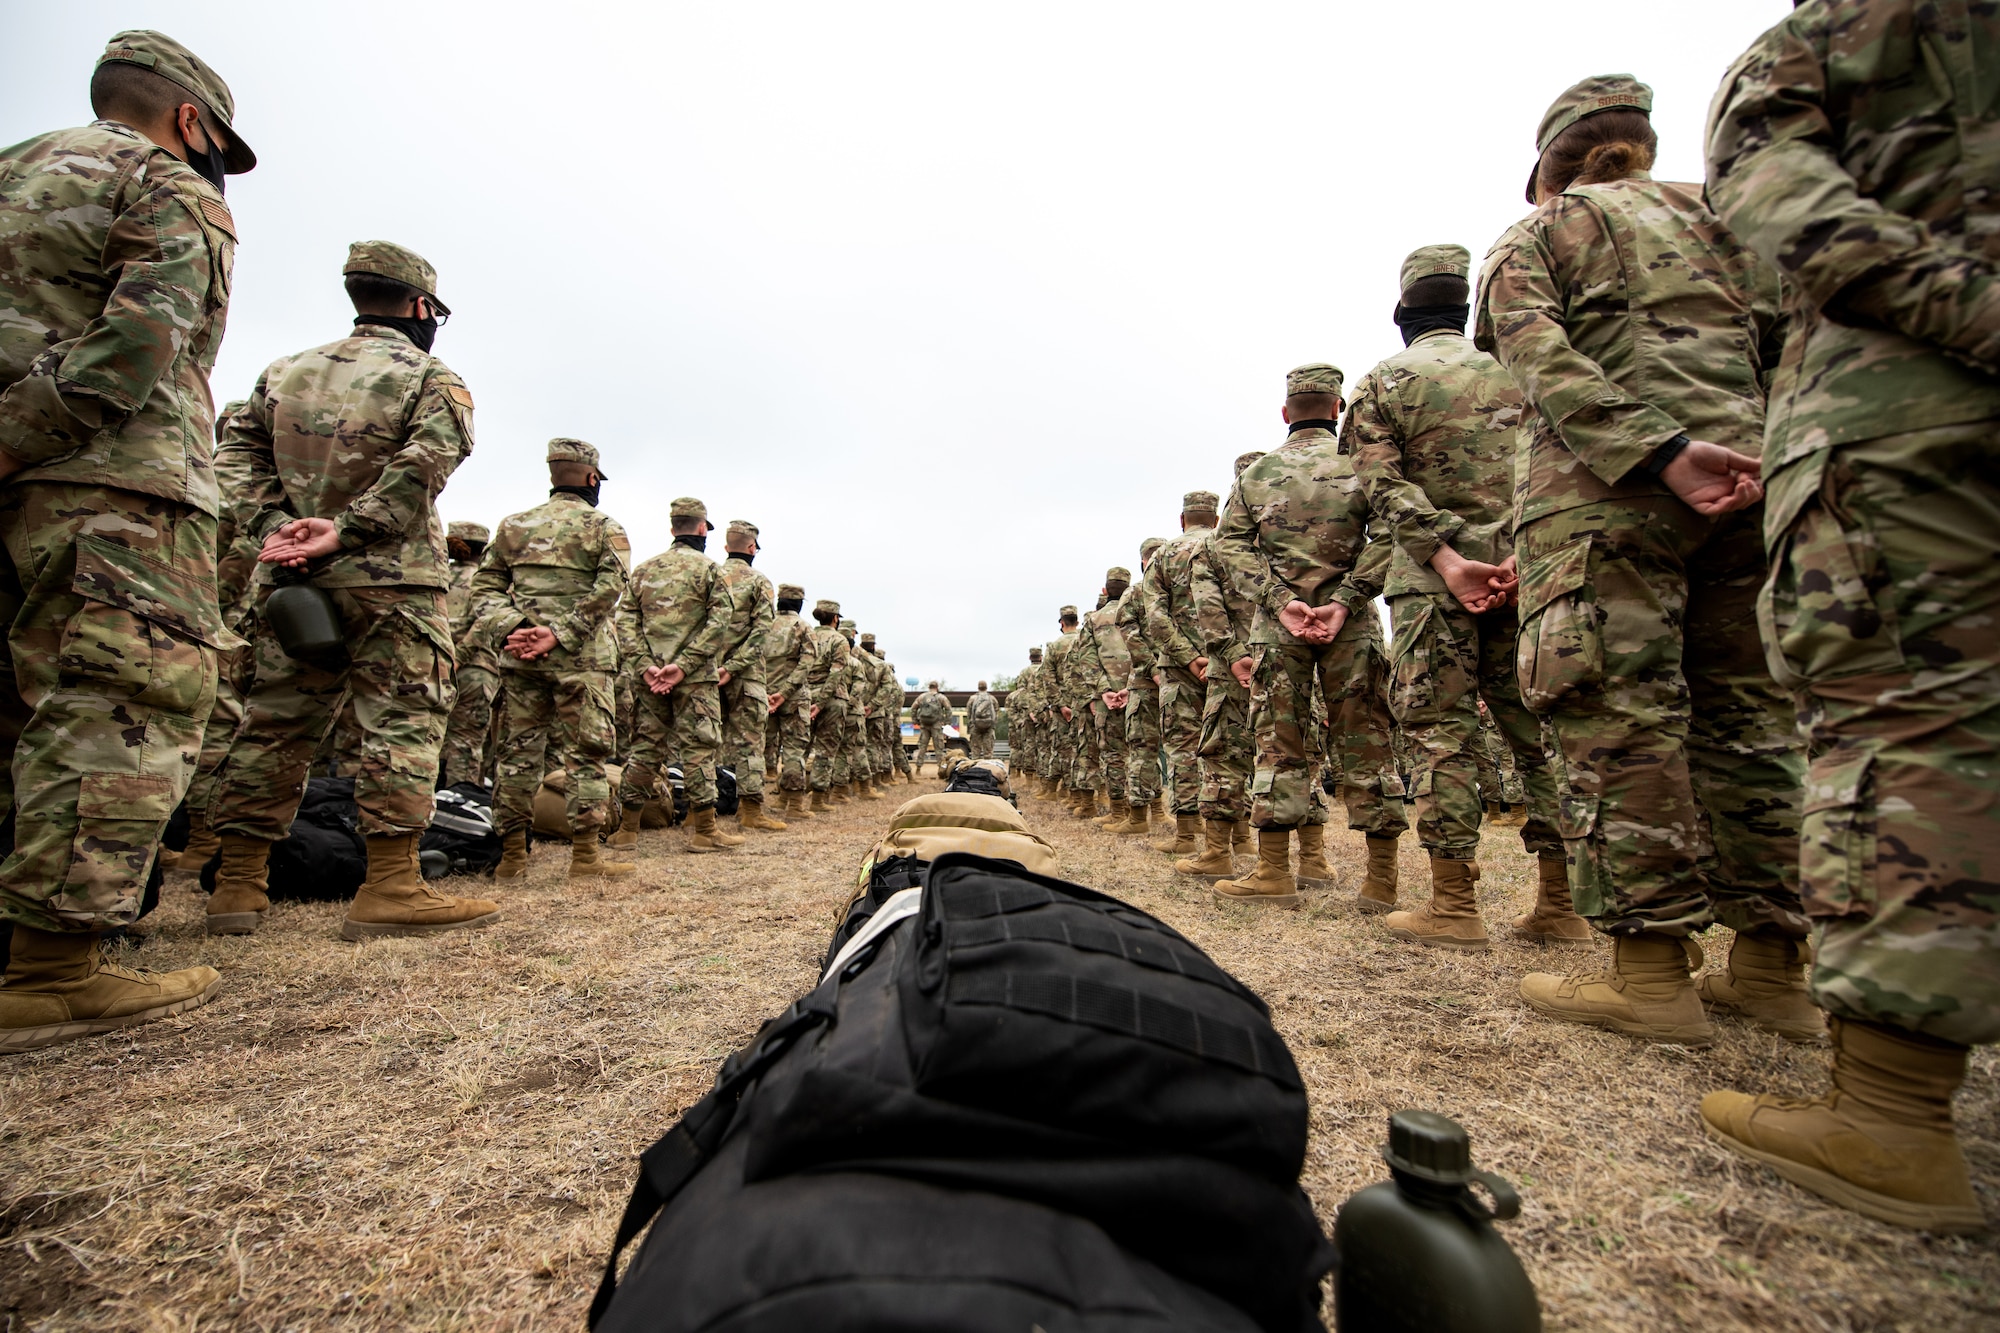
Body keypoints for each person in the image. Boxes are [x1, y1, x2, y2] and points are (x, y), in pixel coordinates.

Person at [1698, 0, 1999, 1233]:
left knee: (1901, 719)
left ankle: (1888, 1114)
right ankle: (1761, 967)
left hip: (1913, 403)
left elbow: (1768, 189)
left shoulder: (1847, 24)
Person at [1476, 74, 1806, 1044]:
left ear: (1548, 170)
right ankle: (1773, 970)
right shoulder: (1729, 225)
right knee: (1749, 719)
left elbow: (1533, 357)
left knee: (1617, 713)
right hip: (1750, 484)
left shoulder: (1542, 233)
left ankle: (1652, 976)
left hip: (1607, 495)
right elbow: (1791, 347)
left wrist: (1657, 450)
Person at [0, 31, 252, 1048]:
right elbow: (144, 340)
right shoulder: (167, 183)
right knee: (119, 699)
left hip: (23, 484)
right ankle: (54, 969)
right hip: (113, 483)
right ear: (190, 121)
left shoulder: (13, 168)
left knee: (19, 701)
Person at [206, 240, 498, 941]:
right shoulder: (432, 378)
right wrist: (347, 530)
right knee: (401, 721)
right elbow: (424, 467)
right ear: (421, 306)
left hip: (292, 579)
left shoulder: (283, 372)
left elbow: (233, 457)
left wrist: (279, 528)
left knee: (273, 723)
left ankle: (238, 887)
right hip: (390, 579)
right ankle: (392, 885)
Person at [1344, 243, 1580, 944]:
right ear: (1466, 306)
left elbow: (1383, 490)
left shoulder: (1384, 383)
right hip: (1526, 571)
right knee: (1539, 732)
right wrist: (1513, 554)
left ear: (1402, 316)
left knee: (1441, 734)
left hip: (1431, 583)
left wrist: (1447, 558)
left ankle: (1453, 905)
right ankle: (1562, 905)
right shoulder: (1518, 370)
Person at [1211, 364, 1408, 908]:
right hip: (1355, 623)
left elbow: (1230, 548)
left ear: (1284, 414)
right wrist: (1346, 599)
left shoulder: (1256, 476)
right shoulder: (1362, 465)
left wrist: (1281, 601)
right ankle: (1381, 883)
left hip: (1279, 628)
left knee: (1278, 743)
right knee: (1368, 742)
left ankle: (1274, 873)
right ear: (1338, 409)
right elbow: (1394, 530)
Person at [473, 438, 632, 878]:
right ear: (591, 477)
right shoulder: (604, 527)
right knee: (586, 755)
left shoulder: (512, 526)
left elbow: (483, 588)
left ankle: (512, 858)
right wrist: (559, 634)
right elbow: (610, 588)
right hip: (582, 659)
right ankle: (585, 857)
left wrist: (514, 629)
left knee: (516, 755)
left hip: (520, 660)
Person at [613, 498, 743, 853]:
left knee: (643, 749)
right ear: (702, 529)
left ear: (673, 529)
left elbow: (624, 621)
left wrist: (645, 665)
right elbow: (719, 625)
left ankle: (626, 830)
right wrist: (684, 665)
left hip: (649, 678)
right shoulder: (711, 571)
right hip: (695, 678)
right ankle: (704, 831)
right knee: (699, 751)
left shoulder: (643, 570)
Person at [1178, 453, 1270, 877]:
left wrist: (1228, 656)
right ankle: (1310, 859)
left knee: (1221, 755)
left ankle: (1217, 853)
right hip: (1295, 653)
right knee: (1295, 753)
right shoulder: (1298, 533)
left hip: (1227, 663)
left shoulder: (1211, 548)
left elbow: (1207, 611)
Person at [1145, 492, 1220, 856]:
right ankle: (1237, 838)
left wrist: (1189, 657)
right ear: (1216, 518)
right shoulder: (1229, 544)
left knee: (1183, 750)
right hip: (1230, 662)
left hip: (1178, 668)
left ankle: (1187, 837)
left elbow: (1155, 618)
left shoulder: (1162, 556)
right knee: (1233, 748)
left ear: (1182, 520)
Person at [715, 519, 784, 832]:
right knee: (750, 742)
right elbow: (761, 631)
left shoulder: (710, 573)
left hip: (706, 671)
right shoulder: (759, 582)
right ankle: (751, 812)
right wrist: (734, 667)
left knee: (702, 742)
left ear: (727, 546)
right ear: (752, 547)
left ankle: (696, 810)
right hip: (746, 674)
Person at [437, 520, 499, 788]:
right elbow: (486, 624)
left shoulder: (436, 577)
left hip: (430, 666)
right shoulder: (485, 584)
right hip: (474, 670)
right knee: (465, 743)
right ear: (483, 550)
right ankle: (459, 807)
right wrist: (459, 657)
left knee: (430, 737)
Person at [1114, 538, 1168, 832]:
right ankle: (1177, 817)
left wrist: (1152, 669)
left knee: (1141, 750)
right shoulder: (1186, 585)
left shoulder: (1135, 593)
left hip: (1147, 682)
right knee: (1186, 750)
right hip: (1189, 678)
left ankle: (1139, 819)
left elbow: (1131, 637)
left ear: (1143, 562)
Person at [1072, 570, 1135, 822]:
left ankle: (1118, 812)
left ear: (1105, 590)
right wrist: (1131, 686)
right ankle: (1145, 811)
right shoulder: (1140, 613)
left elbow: (1085, 659)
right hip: (1139, 692)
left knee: (1112, 754)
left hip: (1105, 698)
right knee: (1143, 752)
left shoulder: (1094, 620)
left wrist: (1105, 690)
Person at [762, 583, 814, 818]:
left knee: (760, 748)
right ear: (800, 604)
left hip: (763, 696)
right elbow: (806, 665)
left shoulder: (764, 624)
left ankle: (757, 805)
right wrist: (785, 692)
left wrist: (767, 692)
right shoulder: (803, 627)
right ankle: (793, 804)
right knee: (794, 750)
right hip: (793, 698)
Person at [802, 598, 852, 809]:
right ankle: (817, 800)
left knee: (799, 748)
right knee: (826, 750)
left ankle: (787, 796)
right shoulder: (839, 640)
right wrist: (822, 702)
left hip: (803, 695)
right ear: (835, 619)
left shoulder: (806, 635)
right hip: (830, 700)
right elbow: (836, 673)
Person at [1043, 607, 1084, 807]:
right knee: (1088, 748)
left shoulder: (1055, 646)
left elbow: (1048, 679)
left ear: (1061, 623)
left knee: (1065, 750)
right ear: (1077, 621)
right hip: (1086, 701)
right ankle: (1097, 794)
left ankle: (1072, 793)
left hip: (1063, 706)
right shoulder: (1085, 639)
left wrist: (1059, 705)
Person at [910, 680, 954, 775]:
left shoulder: (922, 697)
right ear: (937, 687)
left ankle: (918, 769)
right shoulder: (941, 697)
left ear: (929, 687)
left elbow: (913, 708)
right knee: (938, 747)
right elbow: (949, 709)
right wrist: (947, 722)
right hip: (936, 725)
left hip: (924, 725)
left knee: (922, 747)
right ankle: (941, 769)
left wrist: (915, 720)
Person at [966, 681, 1000, 759]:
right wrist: (993, 723)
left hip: (975, 726)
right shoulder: (992, 698)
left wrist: (972, 722)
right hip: (989, 726)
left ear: (978, 687)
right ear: (986, 687)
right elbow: (996, 710)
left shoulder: (973, 698)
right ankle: (987, 767)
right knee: (988, 751)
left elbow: (969, 712)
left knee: (975, 750)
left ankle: (975, 767)